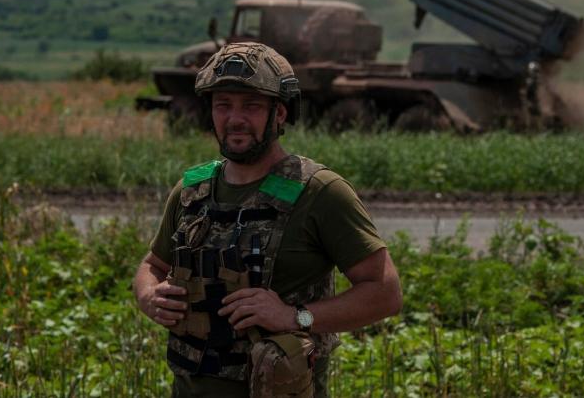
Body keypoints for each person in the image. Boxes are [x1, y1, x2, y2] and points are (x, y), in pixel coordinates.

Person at [133, 42, 402, 397]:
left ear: (280, 114)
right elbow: (153, 264)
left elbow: (385, 293)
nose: (235, 119)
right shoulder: (192, 189)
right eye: (223, 105)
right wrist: (149, 294)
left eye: (252, 106)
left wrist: (295, 317)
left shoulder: (320, 191)